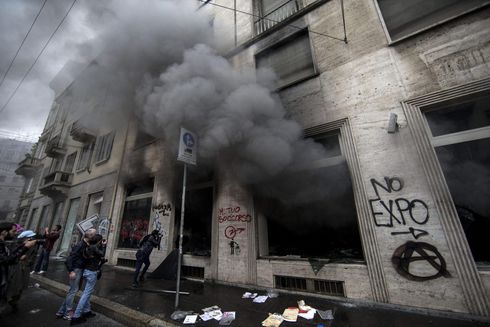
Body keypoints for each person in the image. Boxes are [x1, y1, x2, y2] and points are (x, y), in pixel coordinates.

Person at [56, 228, 97, 320]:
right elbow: (69, 259)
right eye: (94, 234)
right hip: (76, 270)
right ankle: (67, 313)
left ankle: (61, 311)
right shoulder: (80, 245)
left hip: (79, 269)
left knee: (73, 290)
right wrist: (71, 271)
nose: (95, 236)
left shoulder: (86, 244)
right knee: (73, 291)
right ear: (90, 236)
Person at [0, 222, 37, 316]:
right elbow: (8, 259)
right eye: (13, 230)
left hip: (18, 271)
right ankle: (11, 301)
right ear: (4, 232)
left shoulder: (5, 243)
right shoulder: (6, 244)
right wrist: (24, 248)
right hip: (10, 273)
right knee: (12, 288)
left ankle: (13, 302)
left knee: (18, 288)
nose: (15, 232)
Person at [70, 234, 106, 325]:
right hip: (91, 272)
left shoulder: (89, 246)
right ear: (99, 241)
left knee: (87, 292)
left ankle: (87, 311)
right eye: (101, 241)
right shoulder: (94, 247)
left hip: (86, 271)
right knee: (86, 294)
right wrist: (104, 245)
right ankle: (76, 316)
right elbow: (102, 254)